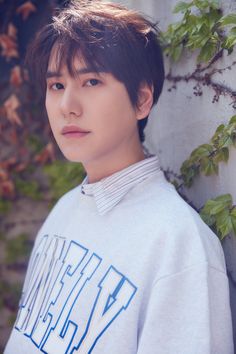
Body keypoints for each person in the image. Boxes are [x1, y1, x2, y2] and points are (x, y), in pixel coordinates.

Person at [4, 0, 233, 353]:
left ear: (141, 100)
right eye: (57, 86)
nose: (68, 106)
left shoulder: (179, 244)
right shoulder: (64, 210)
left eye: (91, 80)